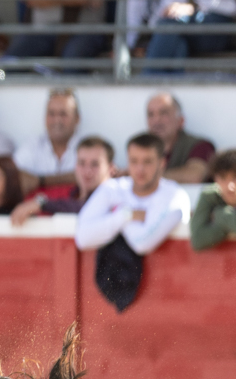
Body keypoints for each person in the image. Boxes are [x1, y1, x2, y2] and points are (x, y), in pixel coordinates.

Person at [75, 133, 191, 311]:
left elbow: (141, 243)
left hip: (172, 300)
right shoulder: (113, 188)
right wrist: (125, 215)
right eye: (134, 161)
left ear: (162, 163)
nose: (140, 169)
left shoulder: (174, 196)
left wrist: (115, 214)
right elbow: (82, 238)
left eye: (147, 161)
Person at [11, 135, 114, 225]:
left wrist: (42, 204)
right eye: (81, 163)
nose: (87, 171)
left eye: (95, 164)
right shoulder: (68, 193)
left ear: (111, 169)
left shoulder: (115, 195)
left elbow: (86, 208)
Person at [144, 0, 236, 72]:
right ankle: (170, 85)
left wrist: (190, 8)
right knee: (178, 46)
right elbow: (165, 6)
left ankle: (148, 79)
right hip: (181, 28)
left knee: (169, 27)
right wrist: (168, 10)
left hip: (216, 25)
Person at [5, 0, 108, 65]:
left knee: (73, 61)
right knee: (12, 61)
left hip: (84, 32)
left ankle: (67, 93)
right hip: (40, 31)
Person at [14, 88, 82, 195]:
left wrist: (40, 181)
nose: (57, 120)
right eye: (52, 113)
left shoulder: (88, 147)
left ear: (77, 118)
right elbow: (13, 176)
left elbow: (98, 175)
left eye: (63, 114)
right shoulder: (32, 146)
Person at [189, 148, 236, 252]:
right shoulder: (209, 196)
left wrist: (220, 215)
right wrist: (233, 224)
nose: (230, 186)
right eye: (223, 177)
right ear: (215, 179)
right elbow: (197, 240)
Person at [145, 93, 215, 184]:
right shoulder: (141, 147)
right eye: (151, 114)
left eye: (163, 113)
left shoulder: (200, 146)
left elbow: (195, 176)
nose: (156, 120)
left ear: (180, 121)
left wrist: (146, 176)